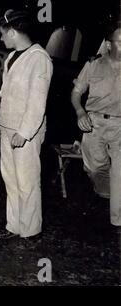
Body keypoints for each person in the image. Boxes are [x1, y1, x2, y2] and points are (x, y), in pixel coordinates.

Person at [0, 9, 53, 240]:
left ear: (14, 32)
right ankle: (14, 225)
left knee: (27, 180)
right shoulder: (11, 57)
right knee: (10, 178)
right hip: (8, 127)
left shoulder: (38, 58)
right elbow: (6, 94)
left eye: (3, 34)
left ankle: (30, 230)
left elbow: (37, 102)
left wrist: (25, 133)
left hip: (25, 131)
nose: (1, 39)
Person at [70, 25, 121, 227]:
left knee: (119, 173)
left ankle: (117, 222)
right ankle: (107, 190)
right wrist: (80, 111)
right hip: (94, 123)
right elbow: (76, 94)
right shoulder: (93, 65)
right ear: (109, 45)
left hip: (119, 126)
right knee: (95, 168)